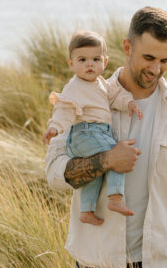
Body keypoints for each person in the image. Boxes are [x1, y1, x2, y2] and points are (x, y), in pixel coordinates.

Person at [44, 7, 167, 268]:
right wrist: (106, 160)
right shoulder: (82, 98)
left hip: (163, 267)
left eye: (164, 60)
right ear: (127, 47)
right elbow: (53, 174)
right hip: (99, 267)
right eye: (148, 58)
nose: (156, 69)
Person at [42, 29, 143, 225]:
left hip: (95, 133)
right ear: (71, 64)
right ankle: (115, 198)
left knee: (95, 173)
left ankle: (86, 210)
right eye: (82, 60)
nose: (90, 64)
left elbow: (116, 97)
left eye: (96, 59)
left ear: (104, 62)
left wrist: (129, 103)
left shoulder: (103, 84)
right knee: (116, 156)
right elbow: (63, 109)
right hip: (85, 133)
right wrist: (54, 127)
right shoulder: (74, 87)